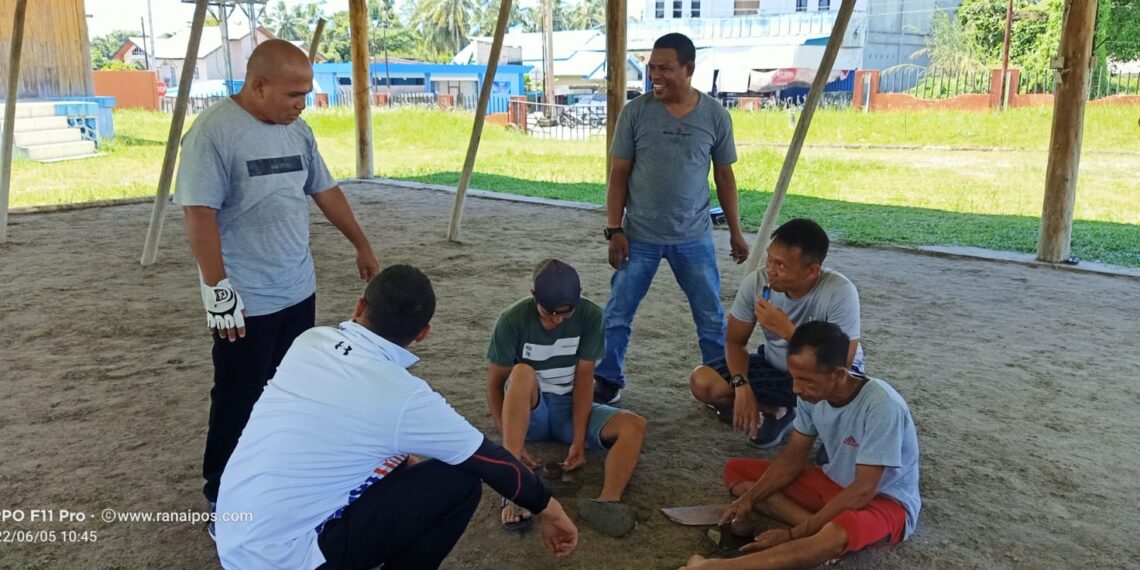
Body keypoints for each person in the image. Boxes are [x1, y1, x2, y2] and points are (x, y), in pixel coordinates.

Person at [215, 265, 578, 569]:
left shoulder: (310, 341)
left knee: (402, 460)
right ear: (423, 334)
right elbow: (490, 461)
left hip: (234, 537)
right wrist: (551, 508)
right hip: (287, 559)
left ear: (360, 305)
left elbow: (333, 426)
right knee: (460, 481)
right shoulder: (406, 397)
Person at [174, 39, 380, 516]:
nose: (301, 105)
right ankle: (221, 492)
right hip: (245, 298)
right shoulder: (212, 134)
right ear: (258, 85)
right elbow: (199, 217)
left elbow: (324, 190)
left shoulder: (298, 133)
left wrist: (361, 243)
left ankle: (279, 471)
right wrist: (218, 290)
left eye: (306, 94)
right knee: (238, 393)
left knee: (289, 387)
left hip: (297, 288)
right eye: (293, 95)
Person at [680, 322, 920, 570]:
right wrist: (750, 499)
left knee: (838, 535)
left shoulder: (882, 405)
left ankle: (716, 568)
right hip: (834, 482)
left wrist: (794, 534)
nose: (796, 389)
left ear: (839, 374)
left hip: (885, 501)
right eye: (794, 378)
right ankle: (817, 528)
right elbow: (794, 456)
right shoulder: (810, 396)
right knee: (737, 472)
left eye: (806, 381)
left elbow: (863, 490)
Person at [594, 32, 750, 405]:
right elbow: (618, 174)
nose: (655, 76)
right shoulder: (635, 113)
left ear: (689, 68)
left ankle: (720, 380)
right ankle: (607, 378)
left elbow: (725, 177)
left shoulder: (714, 115)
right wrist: (615, 228)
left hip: (693, 236)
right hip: (639, 235)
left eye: (665, 68)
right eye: (651, 68)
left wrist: (736, 233)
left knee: (710, 314)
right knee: (618, 311)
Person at [487, 259, 646, 537]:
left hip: (568, 409)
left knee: (634, 425)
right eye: (548, 314)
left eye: (564, 314)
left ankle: (608, 501)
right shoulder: (512, 319)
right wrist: (510, 441)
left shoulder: (590, 316)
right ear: (534, 295)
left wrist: (578, 440)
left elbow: (585, 380)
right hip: (530, 410)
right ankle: (513, 486)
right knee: (522, 372)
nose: (557, 321)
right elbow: (495, 386)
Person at [689, 218, 863, 448]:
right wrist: (742, 386)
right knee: (703, 381)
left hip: (824, 375)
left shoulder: (839, 291)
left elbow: (843, 361)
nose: (770, 270)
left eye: (781, 265)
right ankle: (779, 412)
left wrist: (790, 332)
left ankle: (832, 431)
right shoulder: (757, 283)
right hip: (777, 368)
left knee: (840, 392)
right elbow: (734, 341)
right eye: (769, 259)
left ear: (812, 271)